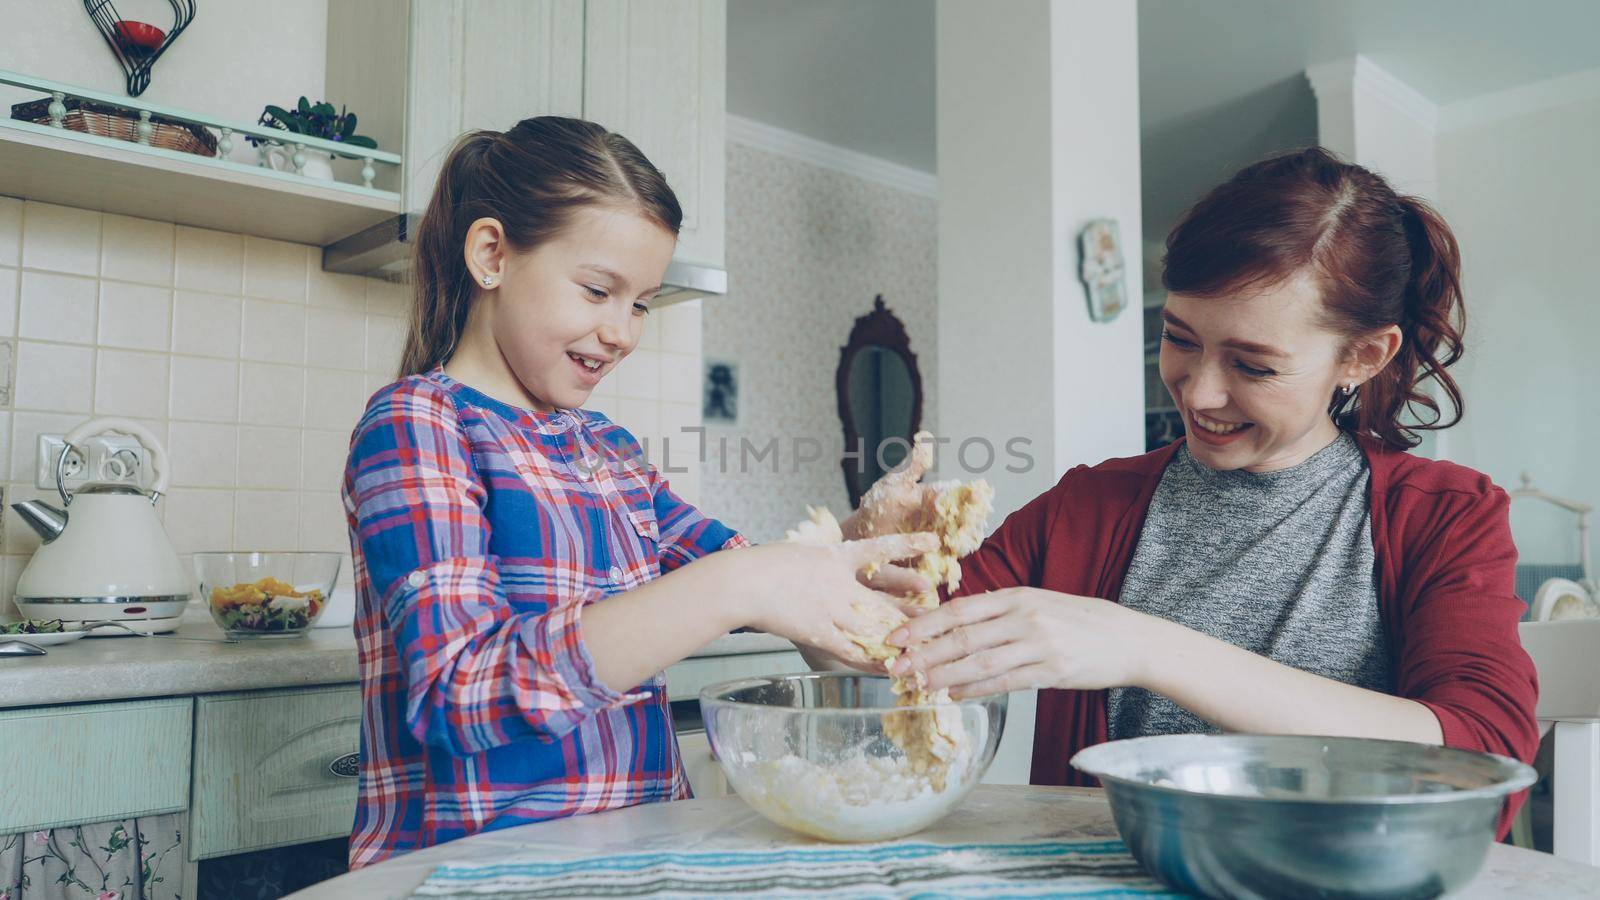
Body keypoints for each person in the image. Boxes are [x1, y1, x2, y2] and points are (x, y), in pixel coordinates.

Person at [856, 147, 1539, 834]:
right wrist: (865, 571)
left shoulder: (1444, 515)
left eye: (1253, 364)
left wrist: (1143, 648)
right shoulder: (1089, 507)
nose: (1200, 391)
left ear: (1362, 357)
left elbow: (1485, 758)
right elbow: (902, 651)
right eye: (1180, 339)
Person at [341, 117, 933, 867]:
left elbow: (741, 564)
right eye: (598, 290)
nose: (623, 332)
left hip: (638, 863)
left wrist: (850, 546)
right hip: (473, 872)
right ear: (491, 255)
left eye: (642, 303)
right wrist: (739, 584)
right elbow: (462, 690)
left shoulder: (606, 450)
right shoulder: (418, 423)